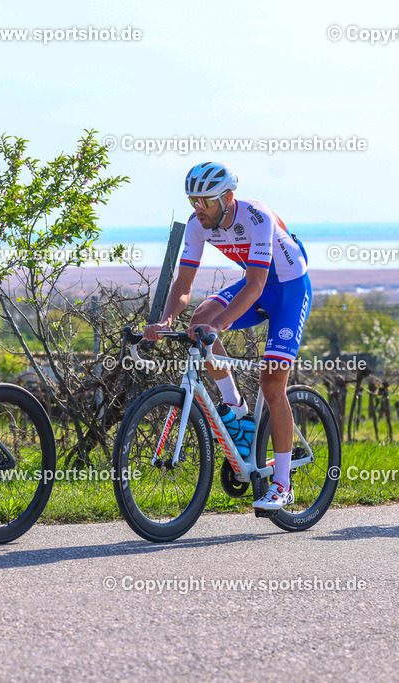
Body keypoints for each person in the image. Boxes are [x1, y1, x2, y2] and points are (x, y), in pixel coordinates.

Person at [144, 162, 312, 511]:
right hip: (257, 285)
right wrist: (166, 320)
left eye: (205, 201)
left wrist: (218, 326)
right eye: (193, 201)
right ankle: (236, 407)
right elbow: (183, 285)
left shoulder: (256, 216)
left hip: (289, 290)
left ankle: (282, 484)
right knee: (199, 319)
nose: (198, 208)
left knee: (272, 384)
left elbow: (255, 286)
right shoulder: (198, 225)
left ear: (228, 197)